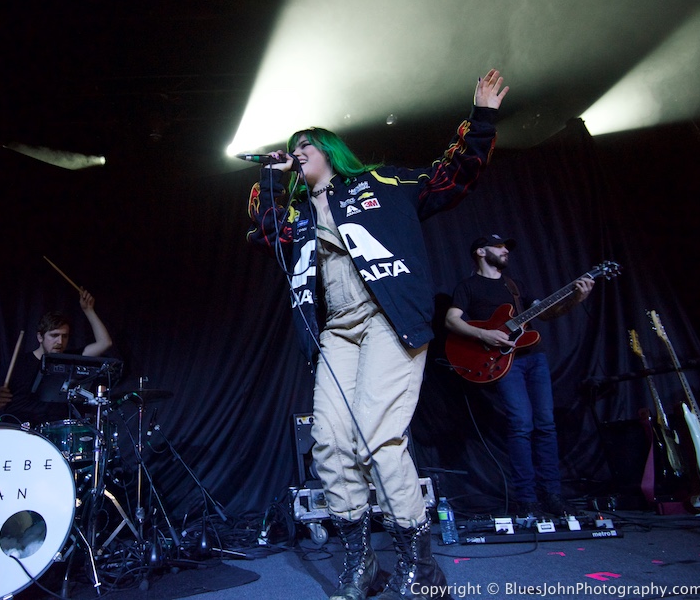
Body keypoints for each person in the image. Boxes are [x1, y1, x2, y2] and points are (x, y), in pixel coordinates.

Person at [247, 70, 508, 600]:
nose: (297, 152)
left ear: (329, 152)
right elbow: (262, 222)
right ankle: (361, 560)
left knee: (377, 436)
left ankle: (420, 562)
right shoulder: (297, 216)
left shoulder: (380, 183)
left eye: (306, 146)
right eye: (292, 148)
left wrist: (481, 119)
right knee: (330, 442)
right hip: (337, 333)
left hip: (388, 320)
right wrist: (275, 176)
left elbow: (449, 176)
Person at [444, 234, 593, 518]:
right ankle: (527, 499)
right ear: (480, 251)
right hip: (503, 362)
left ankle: (553, 495)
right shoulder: (468, 286)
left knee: (546, 425)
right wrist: (485, 333)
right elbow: (451, 320)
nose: (505, 251)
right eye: (499, 246)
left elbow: (547, 313)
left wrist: (576, 298)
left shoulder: (515, 286)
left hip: (534, 357)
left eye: (506, 248)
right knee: (521, 425)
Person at [0, 288, 113, 424]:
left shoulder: (71, 360)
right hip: (20, 433)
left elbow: (104, 343)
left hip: (56, 435)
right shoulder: (18, 364)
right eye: (54, 335)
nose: (60, 341)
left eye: (64, 336)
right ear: (40, 337)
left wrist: (88, 311)